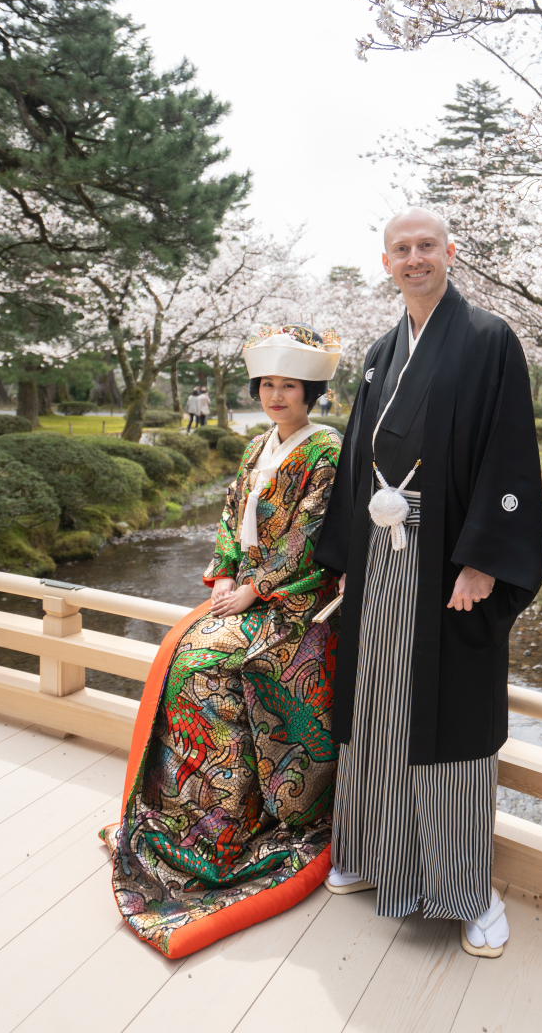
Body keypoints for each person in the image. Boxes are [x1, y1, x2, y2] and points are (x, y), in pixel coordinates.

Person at [315, 207, 542, 959]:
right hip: (380, 551)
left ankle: (466, 889)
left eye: (426, 246)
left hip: (449, 557)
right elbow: (358, 452)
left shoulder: (488, 339)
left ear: (450, 252)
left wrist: (484, 558)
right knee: (375, 702)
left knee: (449, 714)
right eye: (401, 249)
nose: (414, 259)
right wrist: (342, 553)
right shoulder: (381, 352)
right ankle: (371, 856)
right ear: (385, 263)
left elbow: (510, 453)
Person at [100, 324, 344, 958]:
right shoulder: (256, 447)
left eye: (289, 385)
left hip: (297, 603)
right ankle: (191, 818)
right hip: (248, 592)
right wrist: (228, 576)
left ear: (310, 392)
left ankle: (237, 820)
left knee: (207, 665)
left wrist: (255, 589)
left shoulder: (327, 452)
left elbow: (312, 537)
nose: (275, 395)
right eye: (267, 384)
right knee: (186, 661)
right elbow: (232, 520)